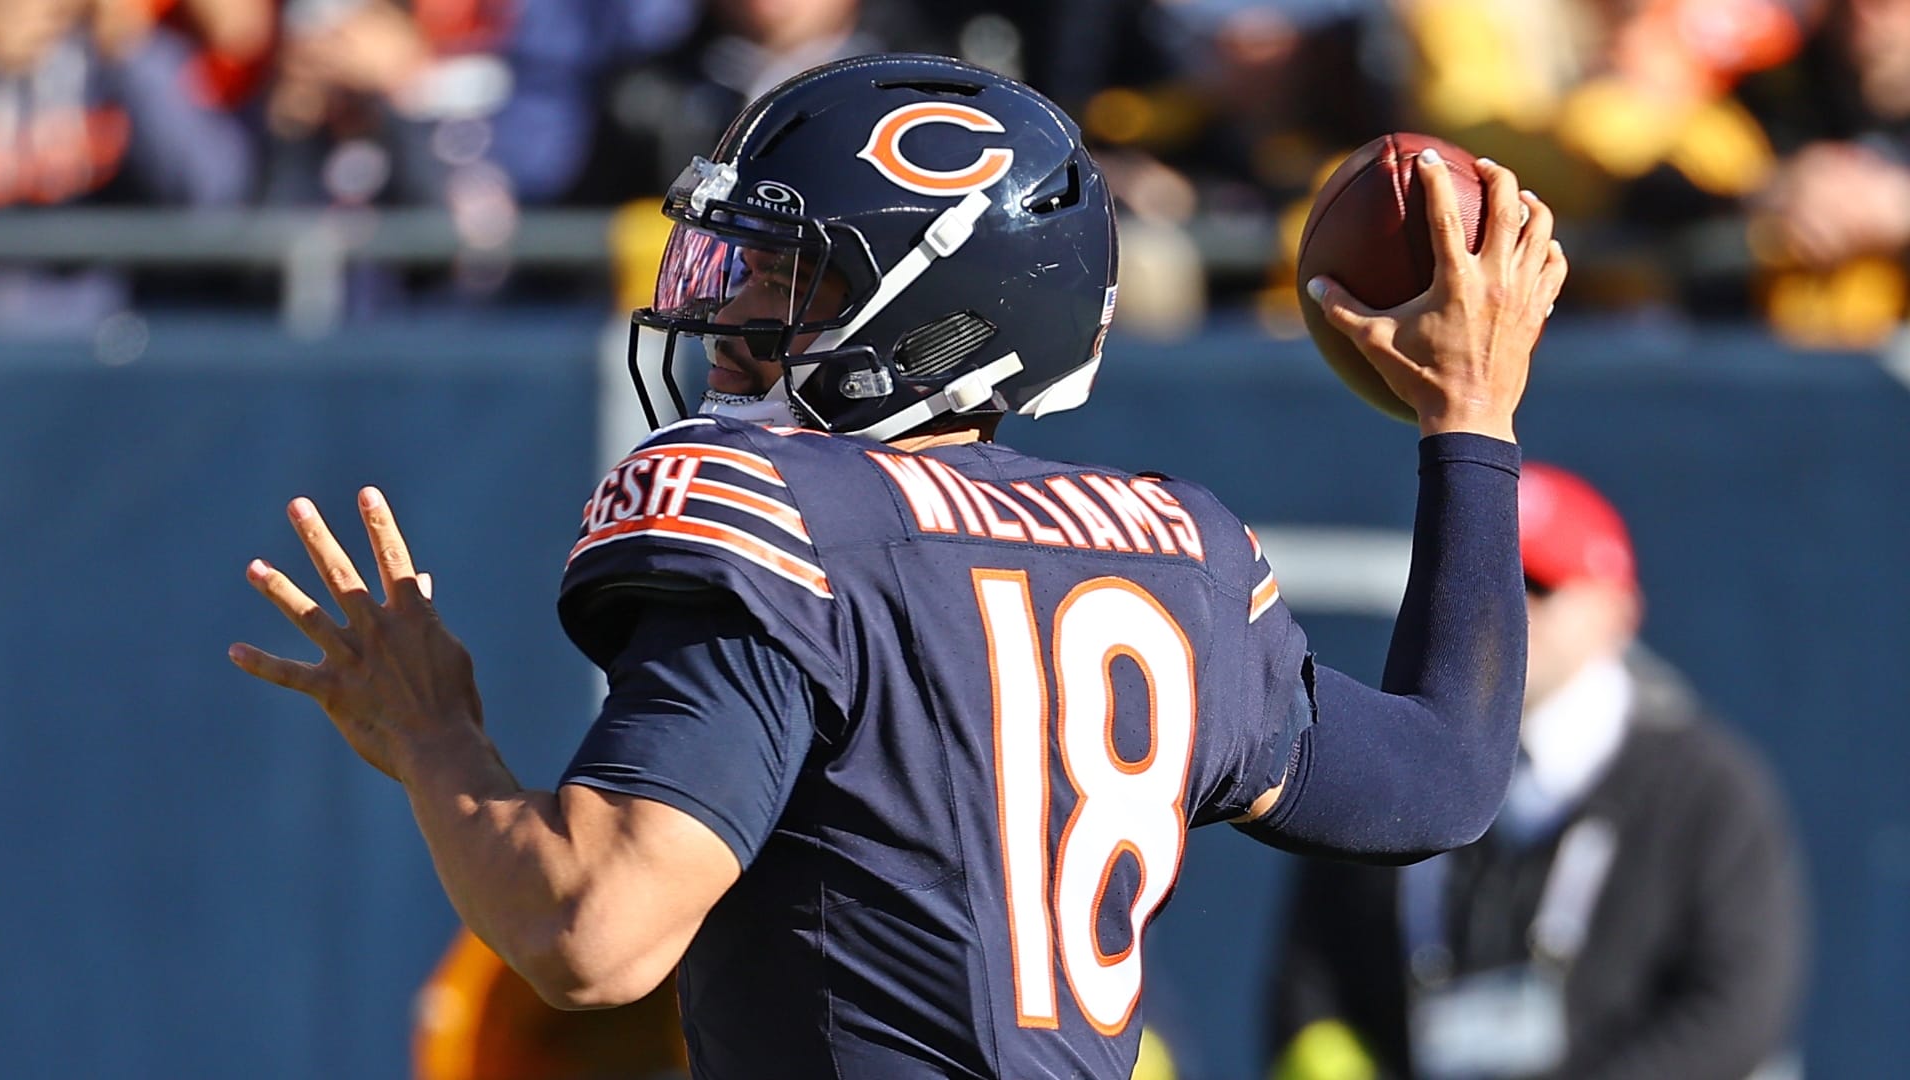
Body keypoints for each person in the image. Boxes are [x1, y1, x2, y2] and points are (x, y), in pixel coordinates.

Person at [228, 54, 1566, 1078]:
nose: (723, 308)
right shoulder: (1181, 554)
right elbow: (1440, 777)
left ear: (940, 313)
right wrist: (1475, 425)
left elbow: (594, 933)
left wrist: (432, 732)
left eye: (785, 279)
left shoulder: (784, 519)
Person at [1268, 463, 1809, 1080]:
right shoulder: (1384, 758)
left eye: (1538, 584)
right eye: (1479, 580)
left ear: (1617, 613)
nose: (1504, 607)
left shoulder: (1709, 792)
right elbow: (1311, 982)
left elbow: (1734, 1007)